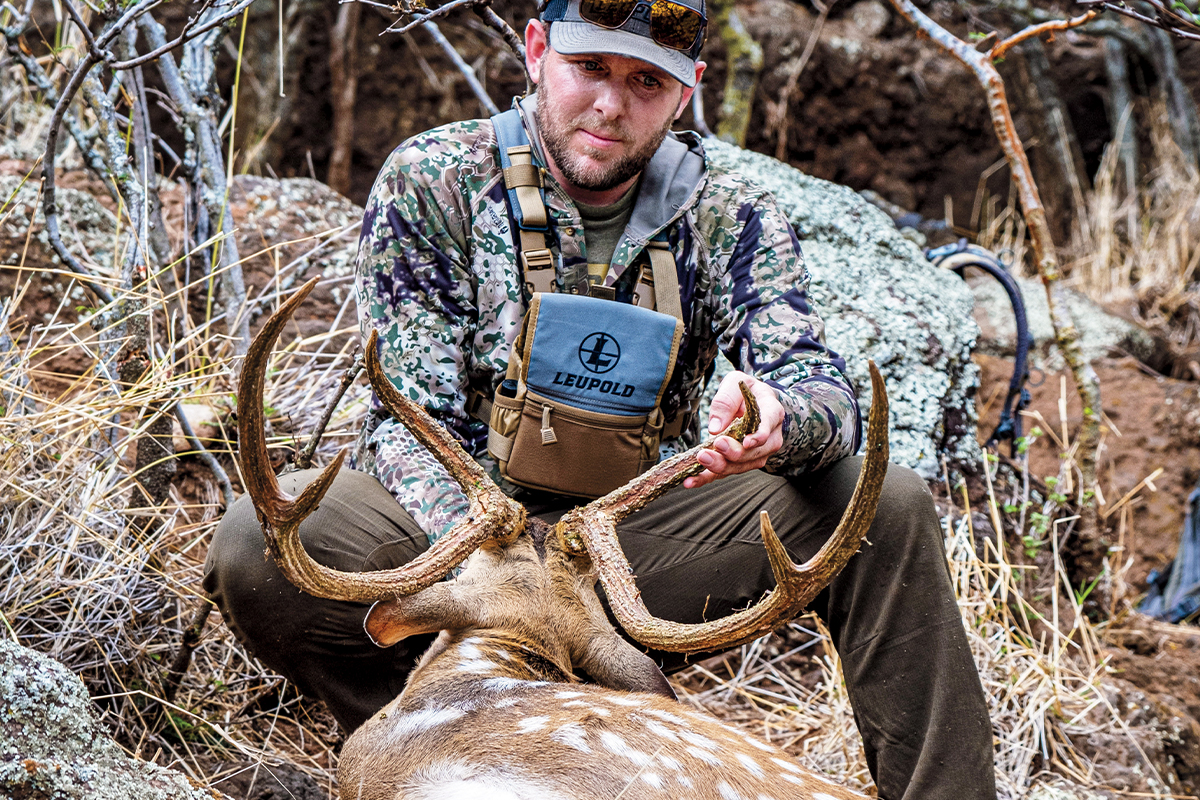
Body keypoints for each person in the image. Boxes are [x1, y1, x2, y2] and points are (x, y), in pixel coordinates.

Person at [204, 2, 996, 797]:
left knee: (883, 499)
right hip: (458, 545)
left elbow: (824, 391)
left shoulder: (734, 213)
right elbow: (408, 419)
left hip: (627, 556)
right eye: (590, 70)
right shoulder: (435, 177)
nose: (611, 106)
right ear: (538, 50)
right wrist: (501, 564)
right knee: (258, 538)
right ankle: (444, 751)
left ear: (687, 92)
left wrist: (783, 423)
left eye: (646, 81)